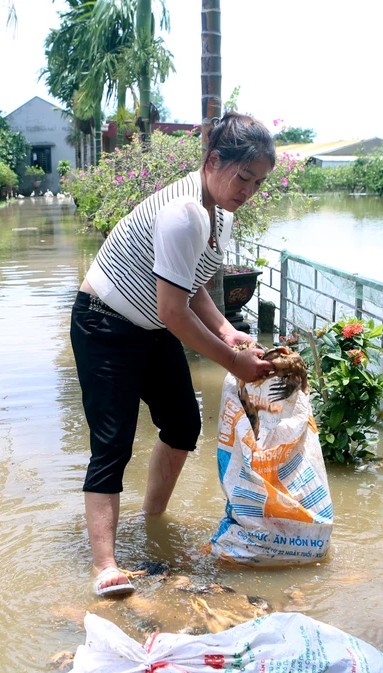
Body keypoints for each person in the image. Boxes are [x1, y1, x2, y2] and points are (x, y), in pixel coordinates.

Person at [70, 112, 278, 597]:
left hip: (152, 326)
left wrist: (227, 331)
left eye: (259, 182)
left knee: (183, 425)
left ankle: (151, 520)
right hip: (104, 324)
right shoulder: (183, 212)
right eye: (243, 177)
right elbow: (173, 311)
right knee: (113, 443)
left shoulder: (219, 214)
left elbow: (191, 283)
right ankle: (105, 565)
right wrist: (234, 363)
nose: (248, 190)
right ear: (213, 161)